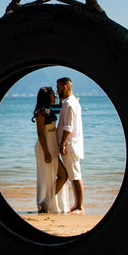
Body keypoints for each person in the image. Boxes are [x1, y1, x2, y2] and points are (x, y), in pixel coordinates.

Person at [33, 86, 69, 213]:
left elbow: (63, 108)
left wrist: (70, 99)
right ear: (47, 97)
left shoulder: (49, 110)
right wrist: (46, 152)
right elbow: (40, 133)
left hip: (52, 146)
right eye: (53, 95)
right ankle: (45, 202)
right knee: (63, 175)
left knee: (58, 176)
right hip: (45, 147)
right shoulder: (40, 112)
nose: (55, 97)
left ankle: (45, 202)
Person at [56, 77, 85, 214]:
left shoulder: (69, 104)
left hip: (70, 145)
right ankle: (76, 205)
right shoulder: (70, 102)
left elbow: (68, 126)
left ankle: (79, 206)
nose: (57, 91)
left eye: (59, 88)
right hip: (70, 144)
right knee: (74, 175)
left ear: (65, 88)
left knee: (75, 175)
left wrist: (62, 143)